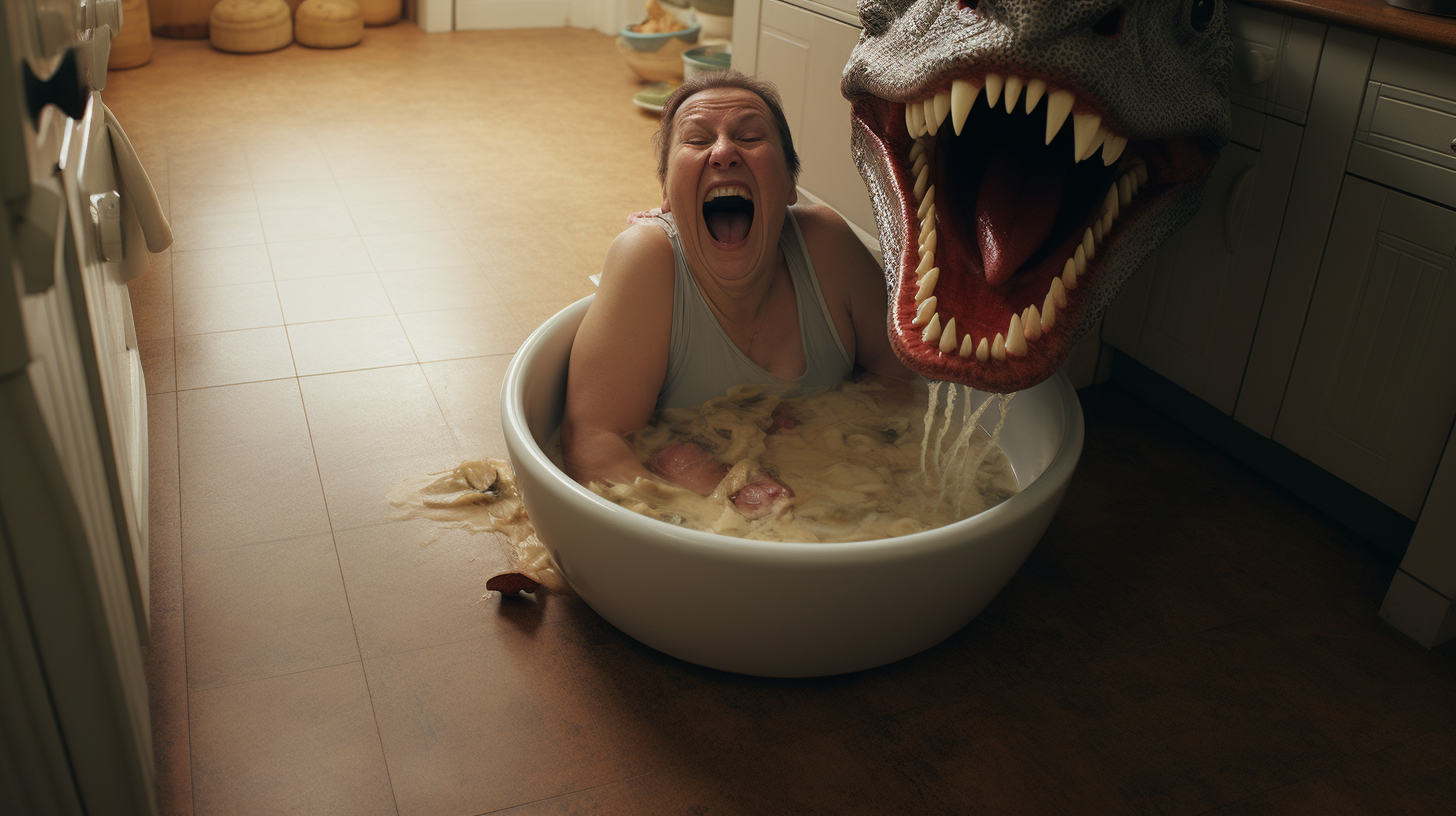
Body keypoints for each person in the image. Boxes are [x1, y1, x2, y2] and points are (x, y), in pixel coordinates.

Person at [561, 70, 912, 490]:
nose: (724, 152)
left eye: (749, 137)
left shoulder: (827, 246)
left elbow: (906, 381)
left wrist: (829, 438)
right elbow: (593, 441)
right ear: (668, 195)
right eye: (696, 139)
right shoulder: (648, 262)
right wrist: (717, 519)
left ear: (789, 184)